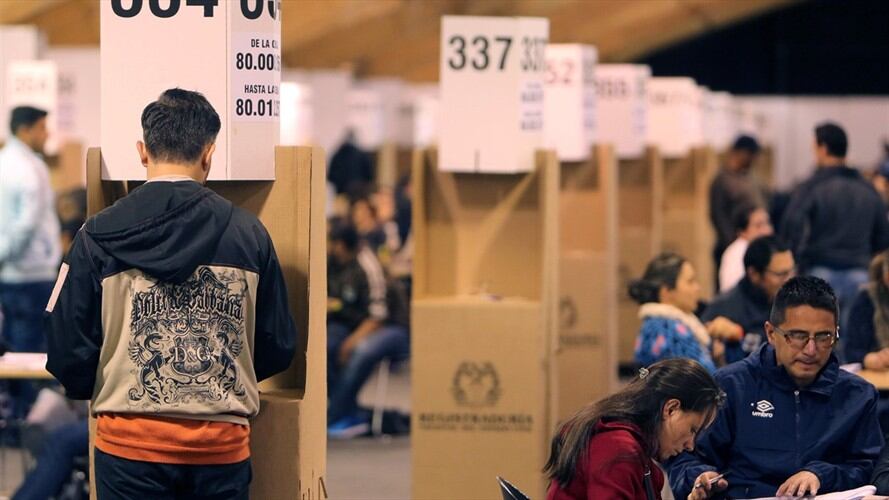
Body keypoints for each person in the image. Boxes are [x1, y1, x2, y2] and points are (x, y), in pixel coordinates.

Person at [45, 88, 298, 499]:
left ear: (143, 152)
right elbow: (277, 344)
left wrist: (104, 384)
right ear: (209, 154)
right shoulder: (250, 234)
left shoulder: (95, 236)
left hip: (129, 445)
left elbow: (65, 342)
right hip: (220, 448)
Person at [668, 276, 884, 499]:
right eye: (798, 336)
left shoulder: (858, 395)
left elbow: (867, 467)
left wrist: (821, 475)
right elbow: (685, 457)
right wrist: (699, 477)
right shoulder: (729, 386)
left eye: (823, 336)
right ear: (771, 333)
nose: (811, 350)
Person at [544, 358, 725, 500]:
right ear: (671, 409)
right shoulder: (618, 448)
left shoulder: (631, 448)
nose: (690, 445)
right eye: (692, 429)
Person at [780, 122, 889, 333]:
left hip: (820, 273)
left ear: (822, 148)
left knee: (821, 336)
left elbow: (792, 226)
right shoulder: (867, 188)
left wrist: (796, 262)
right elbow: (883, 237)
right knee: (854, 336)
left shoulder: (812, 187)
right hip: (860, 273)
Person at [0, 106, 61, 418]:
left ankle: (16, 416)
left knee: (12, 347)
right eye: (41, 128)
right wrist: (7, 253)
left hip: (12, 271)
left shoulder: (6, 161)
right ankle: (25, 419)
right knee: (29, 351)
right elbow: (26, 223)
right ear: (25, 130)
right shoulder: (28, 168)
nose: (46, 134)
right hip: (30, 272)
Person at [327, 223, 409, 438]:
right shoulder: (332, 262)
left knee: (361, 351)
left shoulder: (367, 263)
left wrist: (350, 342)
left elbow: (377, 316)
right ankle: (347, 411)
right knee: (323, 346)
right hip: (350, 323)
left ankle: (334, 415)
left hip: (391, 327)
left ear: (340, 245)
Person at [630, 253, 738, 373]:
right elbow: (703, 379)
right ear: (666, 291)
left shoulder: (656, 325)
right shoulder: (671, 331)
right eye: (690, 282)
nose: (697, 288)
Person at [703, 236, 795, 364]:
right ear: (754, 274)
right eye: (781, 274)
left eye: (791, 271)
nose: (789, 280)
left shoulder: (794, 302)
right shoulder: (723, 310)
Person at [709, 135, 767, 273]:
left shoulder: (750, 177)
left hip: (751, 243)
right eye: (750, 155)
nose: (753, 159)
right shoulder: (722, 180)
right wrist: (733, 243)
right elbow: (718, 216)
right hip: (730, 244)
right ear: (740, 153)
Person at [845, 250, 889, 369]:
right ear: (886, 276)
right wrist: (868, 359)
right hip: (877, 373)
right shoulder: (867, 300)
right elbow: (851, 351)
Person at [718, 204, 773, 292]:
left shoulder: (768, 248)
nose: (767, 230)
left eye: (767, 223)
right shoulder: (735, 255)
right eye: (758, 226)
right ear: (742, 232)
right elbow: (731, 289)